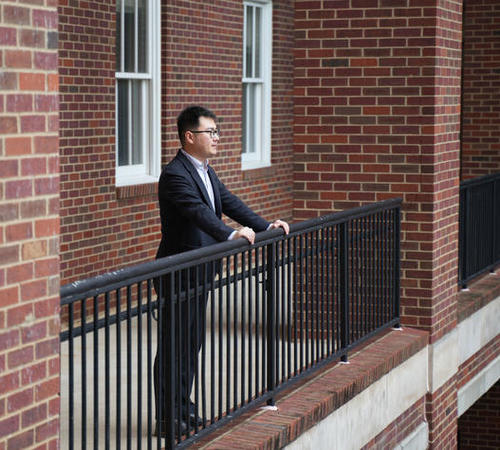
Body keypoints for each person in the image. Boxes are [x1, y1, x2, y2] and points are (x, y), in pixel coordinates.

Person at [154, 105, 289, 437]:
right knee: (175, 345)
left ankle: (183, 409)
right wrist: (230, 235)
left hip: (201, 272)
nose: (217, 138)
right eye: (210, 132)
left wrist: (264, 224)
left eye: (216, 131)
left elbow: (228, 201)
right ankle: (167, 418)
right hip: (179, 273)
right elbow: (199, 212)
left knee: (192, 342)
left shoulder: (205, 170)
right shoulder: (175, 174)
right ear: (189, 136)